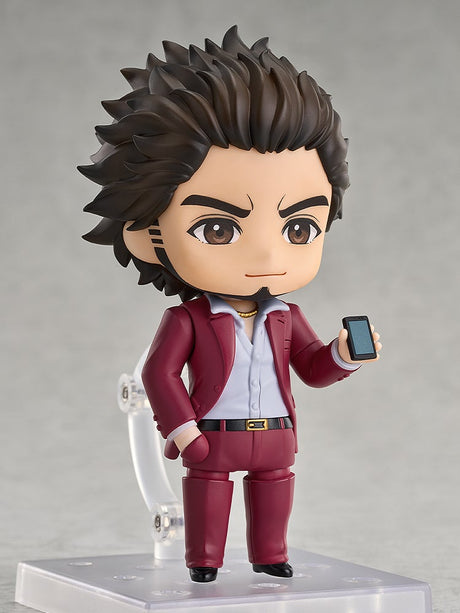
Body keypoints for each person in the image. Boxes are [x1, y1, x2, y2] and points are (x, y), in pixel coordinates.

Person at [80, 26, 381, 583]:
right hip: (212, 434)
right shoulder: (188, 319)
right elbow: (158, 374)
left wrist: (343, 354)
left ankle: (271, 554)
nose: (266, 254)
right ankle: (204, 562)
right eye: (218, 228)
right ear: (148, 235)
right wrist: (184, 431)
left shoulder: (286, 317)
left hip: (276, 433)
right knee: (209, 494)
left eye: (298, 227)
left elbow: (311, 370)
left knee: (274, 491)